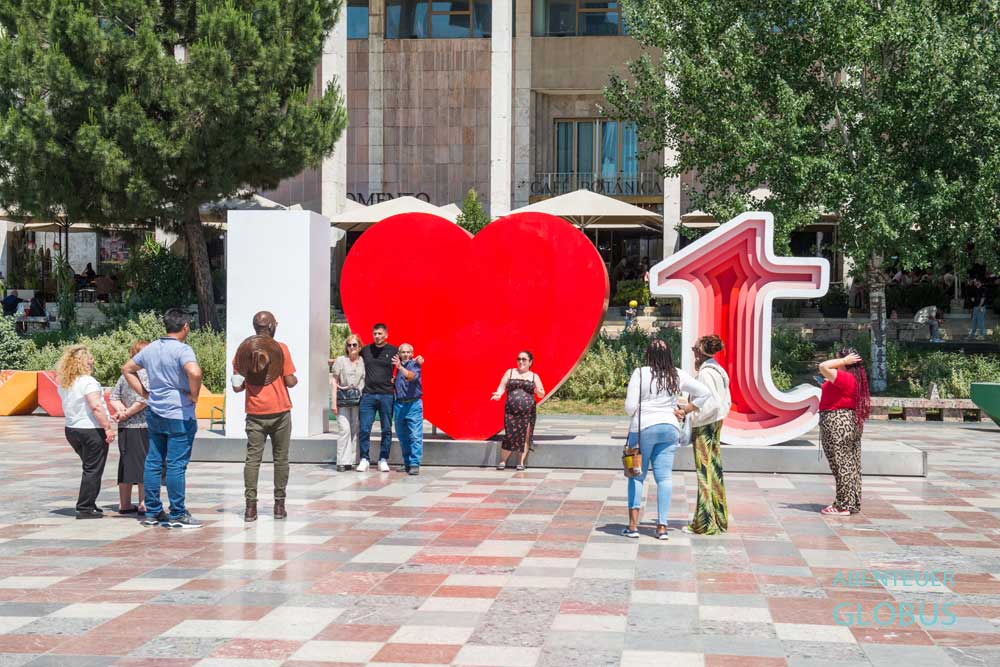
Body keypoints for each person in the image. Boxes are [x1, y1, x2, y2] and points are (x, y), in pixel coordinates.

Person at [121, 308, 203, 529]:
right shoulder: (183, 350)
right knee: (176, 464)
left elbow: (127, 369)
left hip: (155, 412)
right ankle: (177, 513)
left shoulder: (152, 348)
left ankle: (153, 511)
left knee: (154, 461)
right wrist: (194, 395)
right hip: (179, 413)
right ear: (185, 326)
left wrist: (145, 394)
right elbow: (194, 372)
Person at [622, 339, 711, 540]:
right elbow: (705, 393)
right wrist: (685, 410)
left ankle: (633, 526)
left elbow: (629, 407)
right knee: (664, 478)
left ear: (649, 354)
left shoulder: (641, 373)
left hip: (643, 427)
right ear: (669, 354)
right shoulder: (677, 374)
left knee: (636, 475)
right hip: (670, 427)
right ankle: (662, 527)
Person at [232, 311, 297, 522]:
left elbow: (237, 387)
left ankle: (250, 508)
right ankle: (279, 506)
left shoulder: (243, 351)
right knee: (281, 459)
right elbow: (290, 381)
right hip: (280, 412)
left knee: (252, 460)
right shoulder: (281, 349)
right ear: (270, 327)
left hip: (255, 413)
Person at [57, 345, 115, 519]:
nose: (93, 361)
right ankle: (85, 507)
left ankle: (89, 503)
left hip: (72, 429)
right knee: (93, 469)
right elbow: (95, 406)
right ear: (82, 362)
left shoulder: (66, 382)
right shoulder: (88, 382)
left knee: (89, 467)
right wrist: (107, 427)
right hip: (91, 430)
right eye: (90, 358)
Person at [684, 335, 731, 535]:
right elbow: (724, 400)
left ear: (701, 352)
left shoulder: (706, 374)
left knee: (704, 473)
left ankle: (704, 523)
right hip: (716, 423)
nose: (692, 351)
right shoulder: (718, 370)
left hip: (705, 425)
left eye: (694, 348)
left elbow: (710, 403)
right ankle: (720, 519)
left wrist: (691, 414)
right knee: (715, 471)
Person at [817, 348, 871, 516]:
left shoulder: (845, 377)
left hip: (837, 423)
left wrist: (844, 360)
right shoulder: (854, 379)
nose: (837, 363)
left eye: (839, 360)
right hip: (850, 423)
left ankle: (843, 506)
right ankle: (851, 502)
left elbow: (823, 365)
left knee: (841, 465)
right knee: (851, 464)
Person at [109, 341, 151, 515]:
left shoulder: (124, 375)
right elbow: (145, 399)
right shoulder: (147, 373)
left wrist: (121, 411)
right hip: (143, 425)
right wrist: (127, 413)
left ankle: (124, 503)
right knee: (145, 464)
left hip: (125, 427)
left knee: (125, 464)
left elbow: (113, 396)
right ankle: (143, 503)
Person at [491, 350, 545, 471]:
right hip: (511, 411)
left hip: (527, 412)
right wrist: (499, 394)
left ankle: (520, 462)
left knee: (525, 435)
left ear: (530, 362)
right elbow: (502, 386)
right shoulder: (510, 372)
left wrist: (538, 391)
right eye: (519, 359)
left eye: (524, 359)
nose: (521, 361)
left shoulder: (534, 376)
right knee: (509, 434)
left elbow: (541, 393)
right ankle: (503, 460)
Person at [358, 323, 398, 473]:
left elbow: (405, 363)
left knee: (386, 429)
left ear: (386, 335)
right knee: (364, 428)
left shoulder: (394, 350)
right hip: (368, 395)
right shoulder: (366, 350)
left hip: (387, 395)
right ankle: (364, 459)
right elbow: (352, 357)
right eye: (375, 334)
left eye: (380, 334)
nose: (377, 336)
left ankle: (383, 459)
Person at [331, 334, 365, 472]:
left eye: (354, 345)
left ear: (359, 346)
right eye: (349, 345)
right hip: (343, 399)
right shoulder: (340, 360)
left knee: (355, 429)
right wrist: (333, 402)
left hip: (358, 399)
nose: (351, 347)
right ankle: (341, 461)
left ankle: (351, 460)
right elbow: (334, 381)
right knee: (344, 429)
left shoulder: (363, 361)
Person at [393, 343, 424, 475]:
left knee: (415, 435)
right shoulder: (397, 367)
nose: (405, 354)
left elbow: (411, 376)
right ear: (399, 354)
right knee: (402, 436)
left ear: (412, 354)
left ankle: (414, 463)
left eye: (408, 352)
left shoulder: (415, 364)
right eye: (403, 352)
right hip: (399, 405)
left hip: (413, 404)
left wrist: (400, 367)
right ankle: (407, 463)